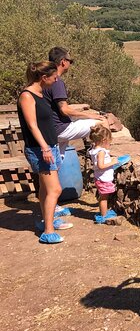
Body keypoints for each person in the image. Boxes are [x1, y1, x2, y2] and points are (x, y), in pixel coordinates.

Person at [17, 62, 72, 244]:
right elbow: (32, 125)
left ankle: (45, 222)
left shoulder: (40, 94)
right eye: (54, 77)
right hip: (40, 149)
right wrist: (45, 147)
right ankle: (48, 231)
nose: (56, 79)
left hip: (50, 146)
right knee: (55, 189)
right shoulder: (27, 96)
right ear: (43, 78)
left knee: (44, 188)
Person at [42, 47, 107, 157]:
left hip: (49, 129)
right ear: (63, 62)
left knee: (57, 162)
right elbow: (64, 110)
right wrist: (90, 115)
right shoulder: (57, 81)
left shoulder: (44, 80)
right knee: (102, 122)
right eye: (70, 61)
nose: (70, 64)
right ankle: (103, 160)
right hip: (60, 129)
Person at [88, 125, 120, 224]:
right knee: (104, 198)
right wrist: (113, 162)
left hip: (99, 177)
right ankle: (104, 216)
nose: (109, 144)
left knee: (103, 196)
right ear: (104, 140)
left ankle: (104, 212)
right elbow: (101, 165)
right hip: (103, 178)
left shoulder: (94, 149)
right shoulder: (101, 152)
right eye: (109, 141)